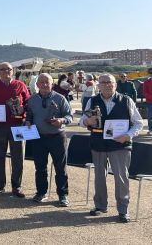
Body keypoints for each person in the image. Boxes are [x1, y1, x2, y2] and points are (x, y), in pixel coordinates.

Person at [80, 74, 143, 223]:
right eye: (104, 82)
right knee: (100, 177)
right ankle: (101, 206)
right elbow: (82, 121)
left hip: (120, 145)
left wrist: (127, 136)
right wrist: (87, 121)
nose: (107, 84)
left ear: (115, 84)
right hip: (98, 144)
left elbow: (138, 123)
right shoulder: (92, 100)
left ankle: (123, 210)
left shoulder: (126, 100)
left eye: (110, 82)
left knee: (121, 178)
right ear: (98, 85)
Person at [25, 73, 73, 206]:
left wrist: (61, 120)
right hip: (38, 138)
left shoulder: (60, 98)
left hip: (57, 137)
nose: (44, 84)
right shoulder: (32, 99)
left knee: (60, 168)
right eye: (41, 82)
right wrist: (28, 121)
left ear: (52, 84)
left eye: (47, 82)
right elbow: (29, 114)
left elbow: (69, 116)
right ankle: (41, 192)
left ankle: (63, 195)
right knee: (40, 167)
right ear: (37, 84)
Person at [0, 62, 30, 197]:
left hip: (18, 126)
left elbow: (28, 102)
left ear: (13, 71)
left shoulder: (20, 85)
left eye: (8, 69)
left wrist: (24, 109)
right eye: (2, 69)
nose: (6, 71)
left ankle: (17, 186)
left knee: (18, 157)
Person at [143, 68, 152, 135]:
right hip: (150, 102)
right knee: (150, 117)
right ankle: (150, 129)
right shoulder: (146, 82)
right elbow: (144, 92)